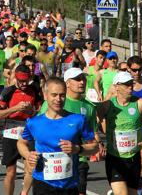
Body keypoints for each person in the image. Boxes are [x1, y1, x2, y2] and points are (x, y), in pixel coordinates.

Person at [17, 77, 98, 195]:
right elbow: (21, 142)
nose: (58, 99)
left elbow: (95, 146)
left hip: (69, 185)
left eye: (62, 95)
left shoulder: (78, 120)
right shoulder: (34, 122)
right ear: (45, 96)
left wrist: (77, 149)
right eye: (54, 95)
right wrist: (28, 155)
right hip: (43, 183)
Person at [39, 67, 103, 195]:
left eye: (83, 79)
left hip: (79, 159)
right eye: (77, 79)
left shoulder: (89, 107)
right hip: (54, 159)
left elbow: (93, 131)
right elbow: (41, 127)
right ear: (67, 83)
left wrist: (98, 144)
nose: (82, 82)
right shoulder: (54, 102)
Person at [96, 71, 142, 195]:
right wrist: (99, 141)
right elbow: (94, 125)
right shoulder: (107, 105)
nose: (130, 86)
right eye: (126, 84)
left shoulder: (140, 103)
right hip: (115, 158)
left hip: (134, 158)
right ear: (116, 86)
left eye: (131, 83)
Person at [0, 64, 42, 195]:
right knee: (11, 171)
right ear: (15, 78)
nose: (24, 83)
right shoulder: (8, 91)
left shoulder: (35, 90)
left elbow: (40, 111)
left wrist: (31, 111)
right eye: (20, 81)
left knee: (31, 167)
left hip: (28, 132)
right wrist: (15, 108)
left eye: (26, 80)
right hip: (11, 132)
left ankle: (24, 193)